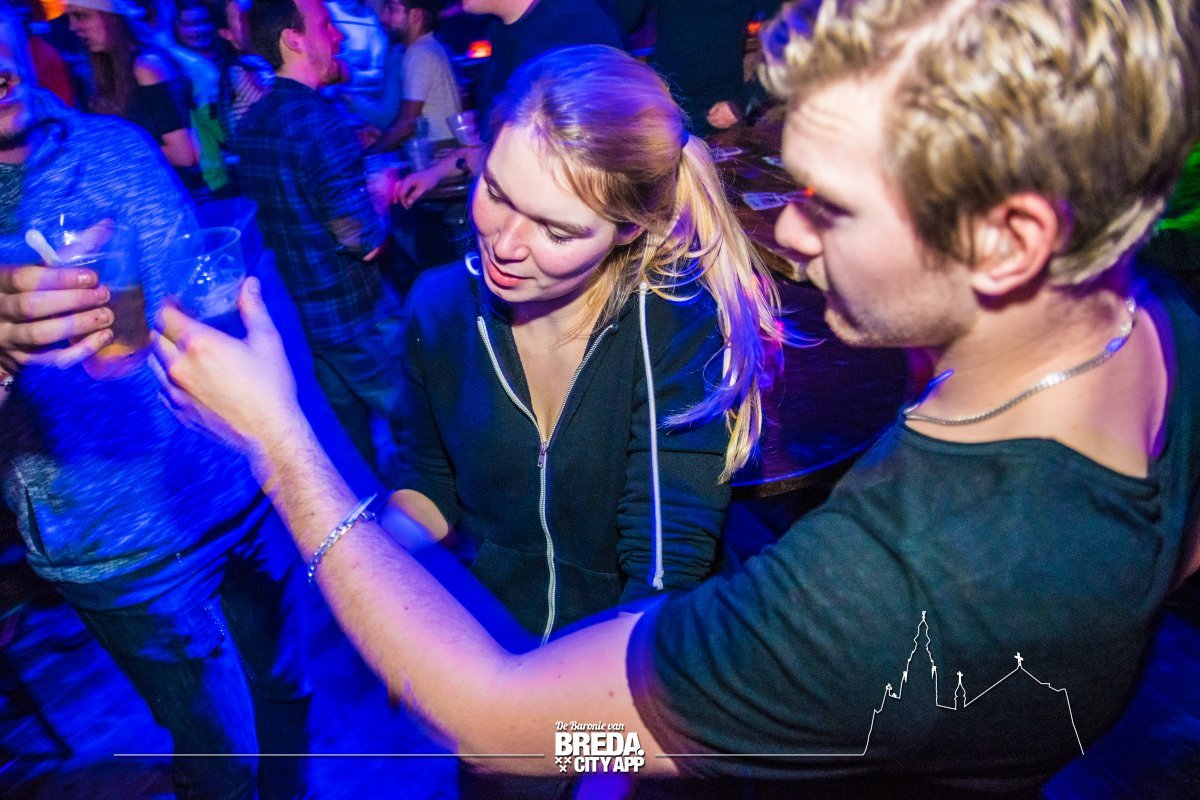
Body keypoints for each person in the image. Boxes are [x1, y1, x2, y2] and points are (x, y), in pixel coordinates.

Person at [156, 0, 1200, 795]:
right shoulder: (1160, 333)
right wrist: (387, 580)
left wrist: (282, 443)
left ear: (1009, 241)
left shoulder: (883, 586)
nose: (789, 232)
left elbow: (515, 719)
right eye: (496, 195)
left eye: (831, 206)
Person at [0, 7, 312, 799]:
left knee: (286, 696)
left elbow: (179, 296)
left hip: (238, 485)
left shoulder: (119, 146)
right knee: (220, 760)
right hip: (122, 551)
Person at [236, 0, 407, 479]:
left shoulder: (252, 123)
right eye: (326, 25)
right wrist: (383, 193)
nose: (339, 36)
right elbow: (365, 242)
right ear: (293, 39)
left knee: (353, 454)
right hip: (358, 319)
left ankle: (381, 522)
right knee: (421, 429)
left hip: (307, 323)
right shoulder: (319, 123)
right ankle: (435, 522)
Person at [393, 0, 622, 206]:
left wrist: (488, 162)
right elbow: (492, 142)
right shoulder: (501, 29)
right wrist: (435, 173)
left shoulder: (573, 26)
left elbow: (578, 159)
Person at [65, 0, 203, 190]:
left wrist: (114, 148)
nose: (73, 27)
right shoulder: (106, 70)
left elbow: (184, 154)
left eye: (82, 16)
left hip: (171, 195)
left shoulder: (147, 67)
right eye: (70, 18)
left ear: (114, 17)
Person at [612, 0, 782, 135]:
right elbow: (621, 21)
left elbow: (787, 41)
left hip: (720, 108)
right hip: (664, 103)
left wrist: (742, 104)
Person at [362, 0, 461, 153]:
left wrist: (368, 154)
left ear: (416, 16)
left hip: (439, 153)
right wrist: (385, 136)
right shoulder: (428, 46)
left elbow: (408, 124)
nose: (383, 18)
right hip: (442, 149)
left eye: (392, 9)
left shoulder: (419, 52)